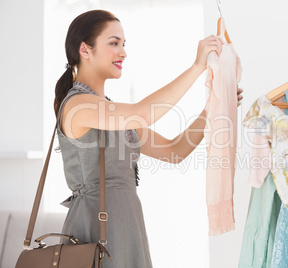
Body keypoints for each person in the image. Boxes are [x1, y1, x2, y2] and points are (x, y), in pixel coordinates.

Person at [54, 9, 243, 267]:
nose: (123, 53)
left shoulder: (112, 114)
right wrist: (197, 67)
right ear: (85, 50)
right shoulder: (78, 106)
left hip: (125, 222)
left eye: (123, 44)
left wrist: (211, 108)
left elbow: (174, 151)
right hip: (95, 226)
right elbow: (143, 113)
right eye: (113, 43)